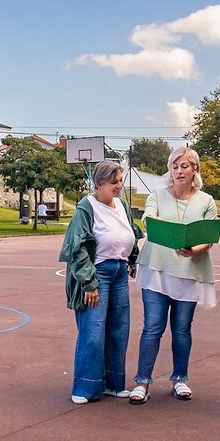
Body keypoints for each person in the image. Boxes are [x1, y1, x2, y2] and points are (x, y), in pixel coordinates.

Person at [128, 147, 218, 405]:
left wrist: (194, 249)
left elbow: (210, 236)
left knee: (181, 330)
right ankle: (142, 381)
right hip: (156, 270)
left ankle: (180, 379)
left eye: (185, 166)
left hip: (189, 272)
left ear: (195, 170)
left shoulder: (206, 201)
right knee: (152, 327)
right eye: (175, 166)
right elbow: (150, 221)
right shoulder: (156, 195)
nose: (179, 171)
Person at [59, 161, 143, 404]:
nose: (119, 186)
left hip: (118, 273)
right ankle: (85, 388)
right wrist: (89, 283)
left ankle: (114, 383)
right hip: (97, 273)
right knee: (93, 330)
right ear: (99, 183)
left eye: (120, 181)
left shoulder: (123, 206)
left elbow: (131, 236)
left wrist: (132, 260)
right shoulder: (86, 207)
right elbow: (77, 248)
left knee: (119, 329)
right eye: (114, 182)